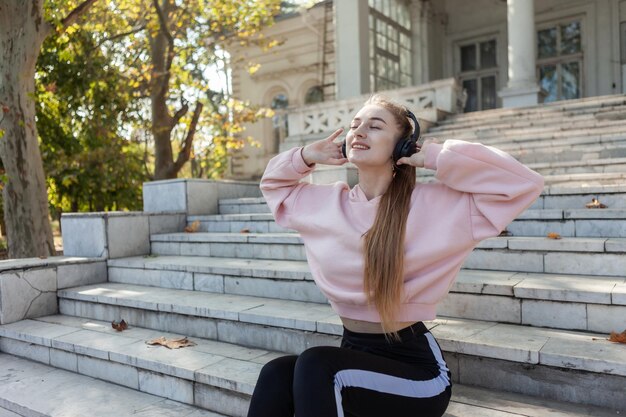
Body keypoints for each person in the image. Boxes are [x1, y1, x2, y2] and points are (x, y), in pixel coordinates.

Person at [248, 95, 544, 417]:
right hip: (354, 358)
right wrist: (306, 155)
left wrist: (433, 155)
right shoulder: (325, 204)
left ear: (402, 145)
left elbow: (522, 183)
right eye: (354, 126)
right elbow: (275, 185)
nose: (359, 132)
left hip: (418, 373)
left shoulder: (440, 206)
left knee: (319, 364)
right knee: (277, 372)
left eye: (375, 126)